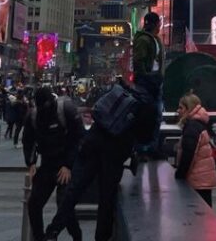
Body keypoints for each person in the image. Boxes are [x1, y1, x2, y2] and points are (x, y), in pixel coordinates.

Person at [43, 85, 156, 241]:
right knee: (106, 199)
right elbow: (145, 137)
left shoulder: (121, 89)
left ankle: (53, 230)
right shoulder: (147, 104)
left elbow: (99, 110)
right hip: (114, 154)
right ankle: (101, 238)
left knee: (74, 190)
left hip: (92, 144)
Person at [23, 86, 85, 241]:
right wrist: (31, 163)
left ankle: (75, 236)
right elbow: (28, 140)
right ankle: (40, 237)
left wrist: (68, 165)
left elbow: (79, 138)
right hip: (48, 163)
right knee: (34, 204)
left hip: (66, 162)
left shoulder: (66, 110)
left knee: (64, 204)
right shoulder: (34, 116)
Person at [174, 94, 216, 207]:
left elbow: (188, 155)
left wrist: (180, 174)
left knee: (197, 215)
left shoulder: (192, 128)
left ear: (189, 109)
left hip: (197, 180)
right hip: (203, 179)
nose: (178, 111)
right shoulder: (198, 124)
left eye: (181, 108)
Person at [131, 12, 164, 156]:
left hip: (154, 82)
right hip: (147, 84)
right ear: (156, 24)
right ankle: (143, 148)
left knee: (155, 115)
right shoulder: (144, 40)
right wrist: (148, 78)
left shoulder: (154, 39)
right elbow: (138, 62)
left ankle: (150, 147)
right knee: (146, 116)